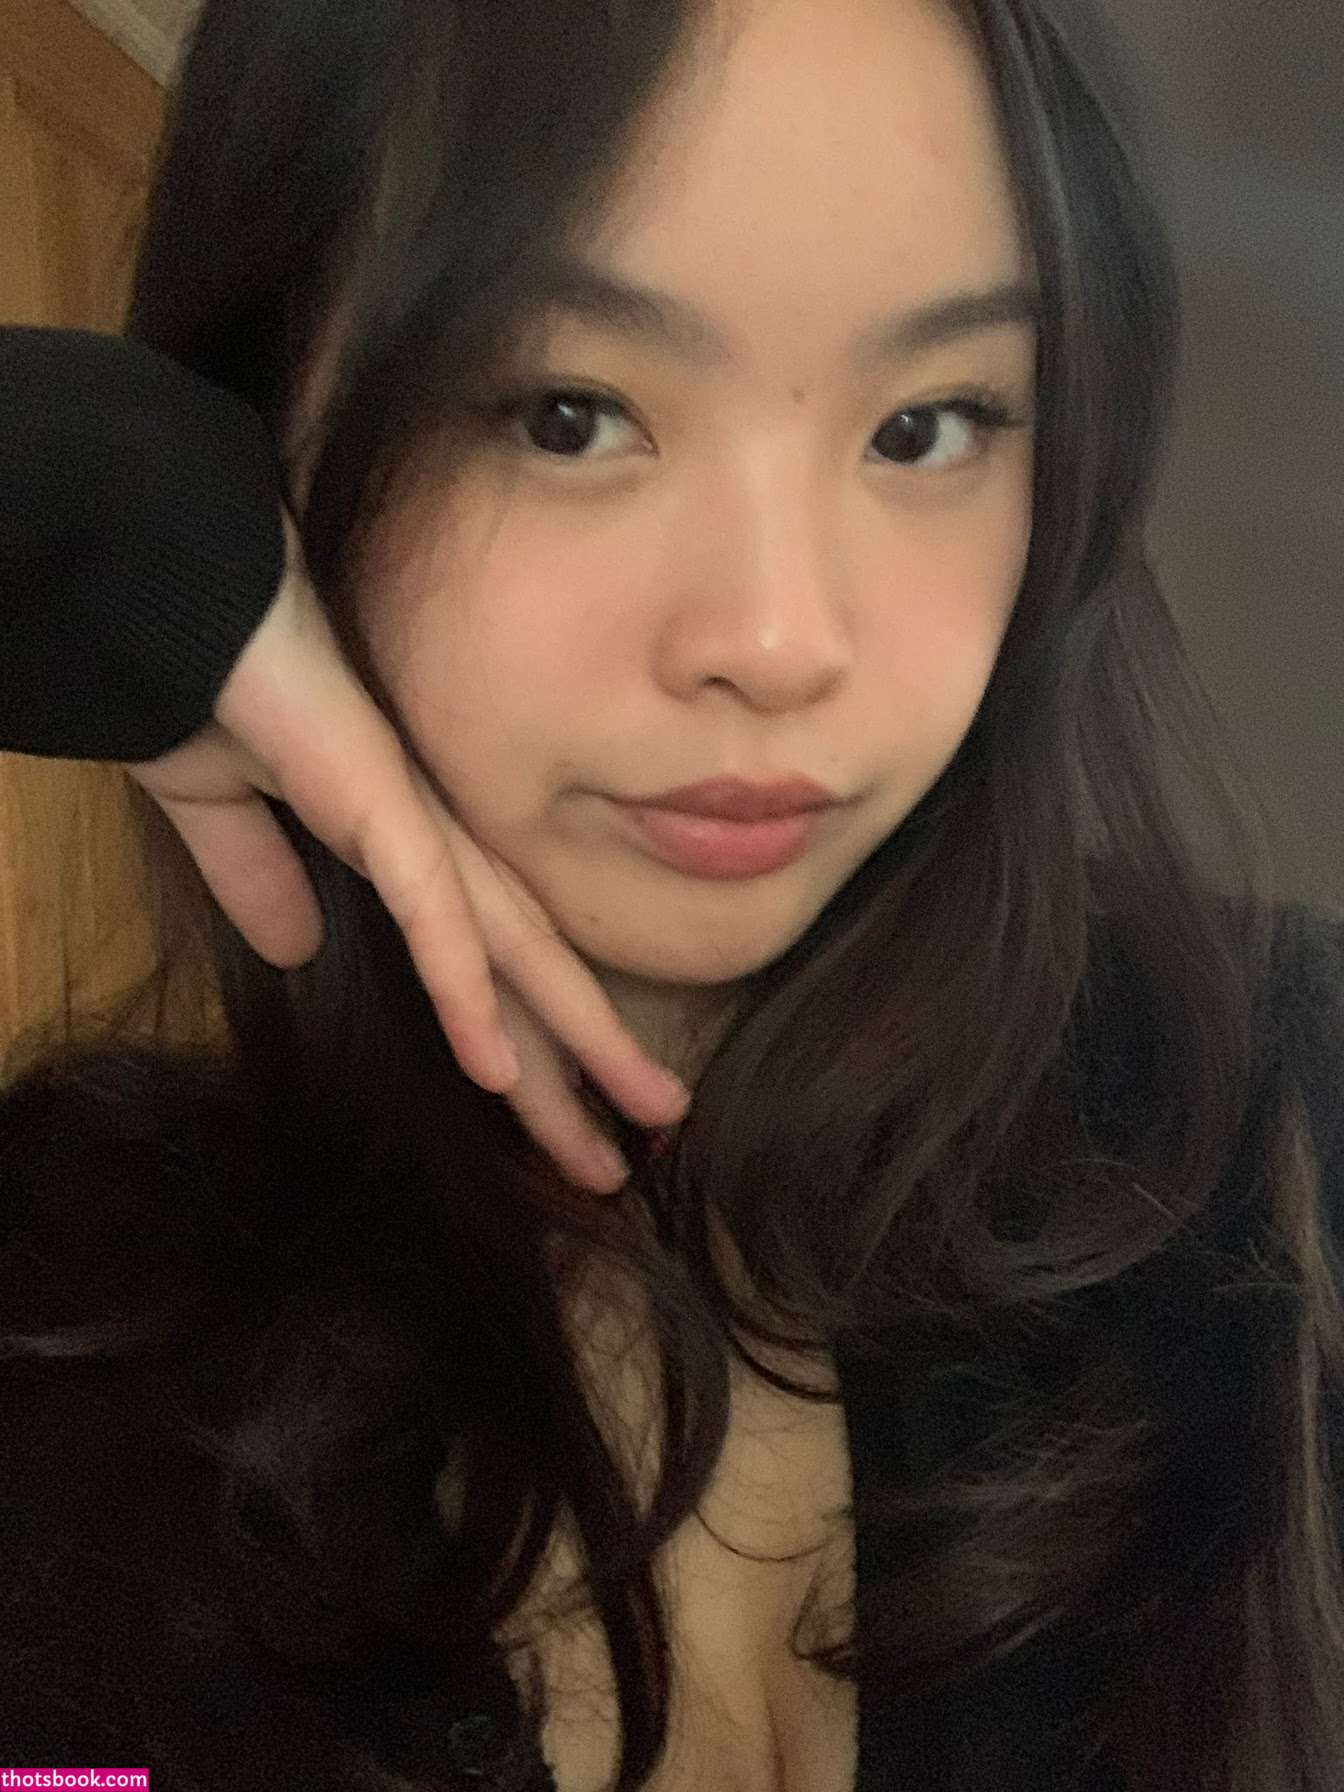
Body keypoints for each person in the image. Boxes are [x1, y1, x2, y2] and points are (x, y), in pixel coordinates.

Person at [1, 1, 1341, 1789]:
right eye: (571, 414)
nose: (778, 641)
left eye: (931, 425)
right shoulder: (63, 1309)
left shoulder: (1285, 1127)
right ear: (267, 430)